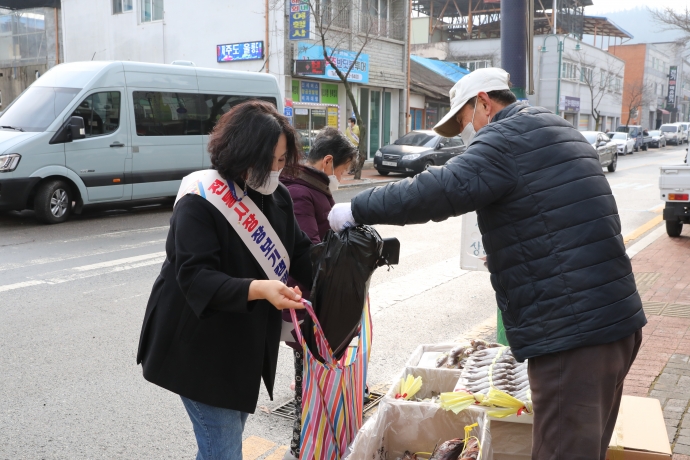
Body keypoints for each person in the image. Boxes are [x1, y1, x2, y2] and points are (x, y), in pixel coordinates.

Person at [328, 68, 646, 460]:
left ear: (483, 102)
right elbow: (560, 220)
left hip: (573, 335)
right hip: (613, 321)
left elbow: (437, 190)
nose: (468, 133)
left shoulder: (505, 138)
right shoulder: (553, 126)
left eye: (464, 121)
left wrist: (358, 208)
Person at [136, 100, 313, 460]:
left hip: (240, 348)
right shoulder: (199, 201)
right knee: (224, 450)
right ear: (244, 154)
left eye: (283, 160)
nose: (279, 170)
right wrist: (261, 289)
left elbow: (301, 252)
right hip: (200, 348)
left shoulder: (276, 196)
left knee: (221, 447)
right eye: (273, 161)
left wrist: (346, 263)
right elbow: (196, 277)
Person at [280, 127, 357, 459]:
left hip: (317, 303)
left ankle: (316, 442)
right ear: (328, 161)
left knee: (315, 379)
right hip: (306, 307)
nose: (343, 177)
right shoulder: (300, 192)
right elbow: (309, 254)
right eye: (344, 171)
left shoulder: (312, 187)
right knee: (309, 381)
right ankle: (302, 448)